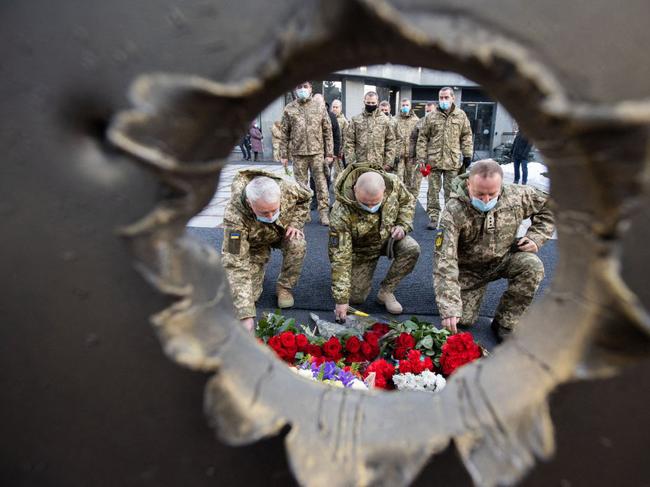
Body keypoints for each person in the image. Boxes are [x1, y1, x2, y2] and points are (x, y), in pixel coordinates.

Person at [433, 159, 555, 342]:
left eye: (492, 194)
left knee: (532, 266)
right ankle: (469, 296)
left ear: (501, 186)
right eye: (480, 194)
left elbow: (551, 206)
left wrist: (536, 237)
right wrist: (449, 306)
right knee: (462, 320)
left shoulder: (517, 196)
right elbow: (444, 260)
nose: (486, 200)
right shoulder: (454, 210)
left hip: (503, 259)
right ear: (468, 184)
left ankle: (506, 322)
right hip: (469, 271)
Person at [221, 170, 312, 332]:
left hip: (282, 232)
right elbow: (234, 262)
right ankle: (259, 266)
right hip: (254, 245)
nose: (270, 216)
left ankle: (284, 287)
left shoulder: (288, 188)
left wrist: (296, 223)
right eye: (264, 212)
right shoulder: (234, 216)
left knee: (298, 243)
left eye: (274, 210)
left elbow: (306, 197)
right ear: (250, 203)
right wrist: (245, 314)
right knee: (249, 297)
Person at [329, 165, 420, 320]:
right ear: (354, 189)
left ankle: (386, 291)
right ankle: (352, 282)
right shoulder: (340, 212)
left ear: (384, 190)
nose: (370, 207)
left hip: (389, 238)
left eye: (375, 202)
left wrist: (402, 225)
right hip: (361, 249)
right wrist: (341, 300)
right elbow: (340, 257)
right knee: (356, 298)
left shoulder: (394, 183)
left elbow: (407, 201)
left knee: (411, 248)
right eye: (365, 203)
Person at [416, 87, 474, 229]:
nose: (443, 100)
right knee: (433, 191)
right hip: (434, 161)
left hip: (452, 161)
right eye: (441, 98)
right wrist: (421, 157)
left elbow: (466, 135)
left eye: (446, 97)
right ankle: (434, 217)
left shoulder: (461, 115)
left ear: (453, 98)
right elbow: (422, 137)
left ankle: (449, 218)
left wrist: (467, 154)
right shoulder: (431, 116)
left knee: (451, 192)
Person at [280, 81, 334, 226]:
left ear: (311, 89)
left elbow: (327, 131)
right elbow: (284, 133)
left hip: (317, 153)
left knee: (321, 184)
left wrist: (329, 153)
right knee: (301, 186)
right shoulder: (289, 109)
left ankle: (324, 213)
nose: (302, 90)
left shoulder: (319, 106)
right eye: (299, 87)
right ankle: (304, 213)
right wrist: (283, 155)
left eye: (305, 87)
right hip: (298, 153)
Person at [344, 91, 396, 172]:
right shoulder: (356, 120)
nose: (370, 105)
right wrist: (351, 162)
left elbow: (390, 142)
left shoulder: (385, 120)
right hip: (360, 164)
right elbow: (349, 142)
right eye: (368, 102)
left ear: (377, 102)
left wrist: (388, 163)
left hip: (379, 165)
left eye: (373, 103)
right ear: (364, 101)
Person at [405, 101, 435, 199]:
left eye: (430, 111)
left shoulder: (441, 123)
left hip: (435, 159)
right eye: (427, 111)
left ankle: (432, 208)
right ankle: (413, 203)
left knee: (433, 187)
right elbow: (413, 139)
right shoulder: (420, 122)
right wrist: (412, 155)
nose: (428, 113)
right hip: (421, 158)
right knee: (415, 184)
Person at [394, 99, 419, 182]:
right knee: (398, 177)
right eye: (403, 105)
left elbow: (419, 138)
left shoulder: (416, 120)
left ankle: (408, 194)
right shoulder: (395, 120)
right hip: (399, 155)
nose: (405, 107)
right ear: (400, 106)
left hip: (411, 155)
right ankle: (400, 194)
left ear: (410, 106)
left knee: (410, 178)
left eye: (407, 105)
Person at [331, 99, 348, 179]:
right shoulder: (328, 118)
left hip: (338, 152)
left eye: (336, 107)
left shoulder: (344, 121)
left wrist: (342, 151)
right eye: (333, 107)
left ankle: (337, 189)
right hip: (328, 150)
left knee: (339, 173)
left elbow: (346, 138)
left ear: (340, 108)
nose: (334, 109)